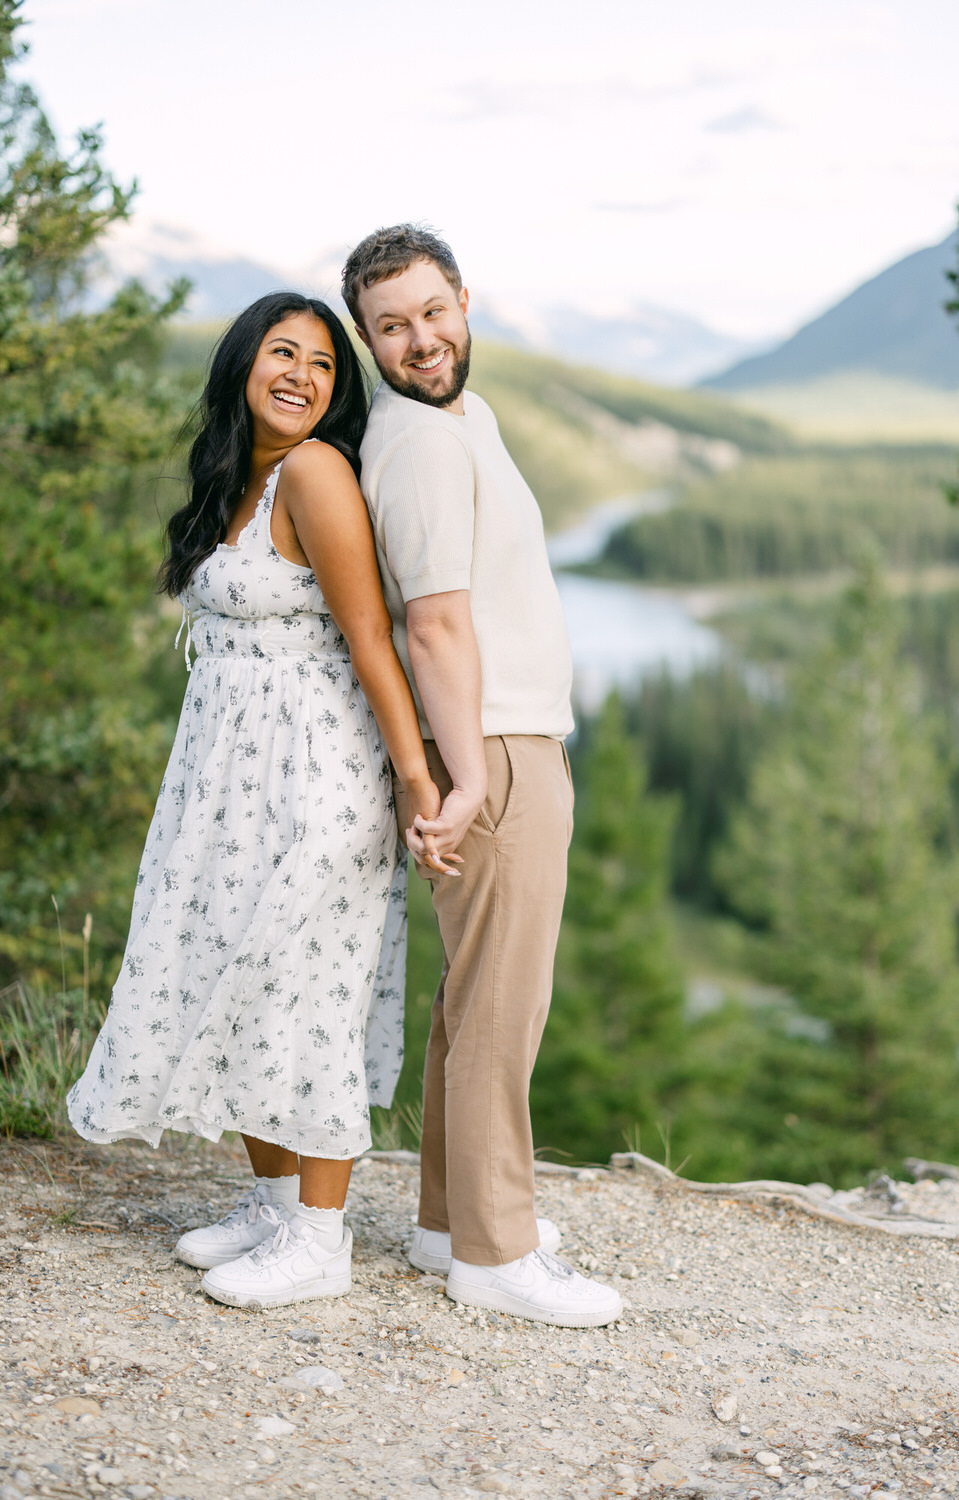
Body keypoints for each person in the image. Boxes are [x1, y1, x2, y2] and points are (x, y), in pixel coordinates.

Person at [67, 292, 446, 1310]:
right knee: (240, 979)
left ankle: (320, 1240)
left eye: (324, 365)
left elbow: (371, 639)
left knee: (305, 994)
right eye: (284, 353)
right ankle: (273, 1203)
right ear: (242, 363)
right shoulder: (240, 476)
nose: (303, 376)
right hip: (228, 783)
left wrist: (415, 785)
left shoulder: (317, 472)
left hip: (314, 774)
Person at [341, 226, 623, 1327]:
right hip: (492, 750)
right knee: (506, 1005)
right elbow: (435, 621)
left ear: (464, 299)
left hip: (507, 738)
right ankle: (497, 1256)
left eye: (429, 312)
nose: (417, 340)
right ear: (368, 339)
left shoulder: (468, 417)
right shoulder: (413, 442)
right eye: (390, 327)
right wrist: (460, 780)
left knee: (475, 1000)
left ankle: (448, 1221)